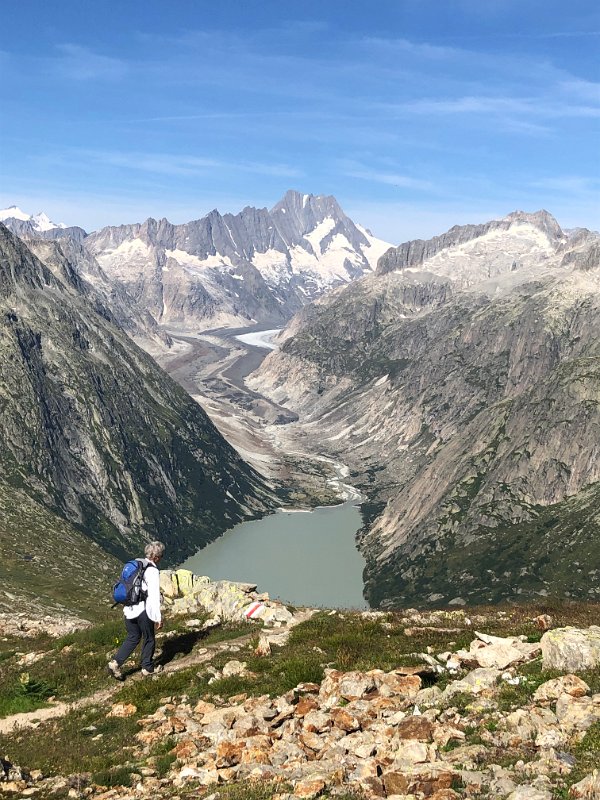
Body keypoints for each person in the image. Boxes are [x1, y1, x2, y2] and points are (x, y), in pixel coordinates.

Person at [107, 540, 165, 679]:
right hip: (143, 610)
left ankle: (115, 663)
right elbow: (153, 596)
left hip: (128, 609)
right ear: (156, 557)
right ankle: (147, 668)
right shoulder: (152, 571)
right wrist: (158, 617)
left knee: (133, 637)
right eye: (161, 556)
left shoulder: (135, 564)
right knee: (149, 638)